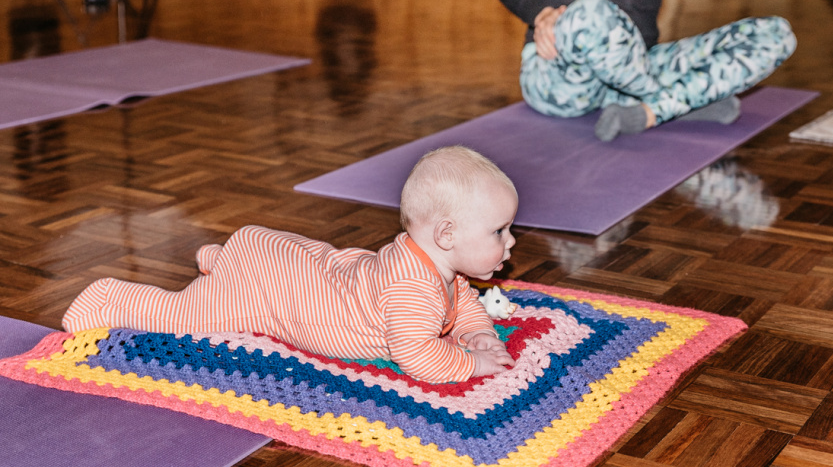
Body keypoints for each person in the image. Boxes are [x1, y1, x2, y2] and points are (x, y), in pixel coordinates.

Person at [62, 146, 518, 384]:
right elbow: (418, 355)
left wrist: (476, 330)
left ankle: (220, 260)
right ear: (446, 235)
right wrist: (470, 362)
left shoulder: (437, 269)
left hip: (287, 267)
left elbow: (460, 303)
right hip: (262, 289)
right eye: (499, 231)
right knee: (183, 318)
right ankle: (107, 300)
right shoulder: (410, 289)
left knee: (324, 266)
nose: (510, 241)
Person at [495, 0, 798, 141]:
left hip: (636, 66)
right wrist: (541, 15)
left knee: (777, 33)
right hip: (559, 73)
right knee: (590, 10)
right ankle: (676, 103)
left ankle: (648, 112)